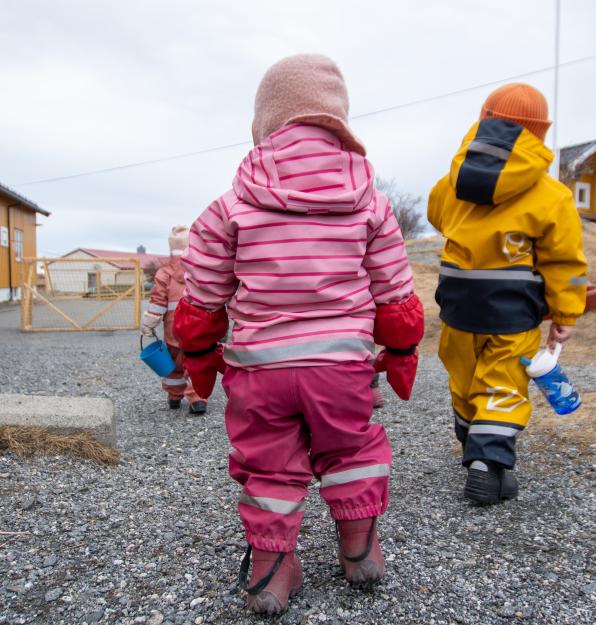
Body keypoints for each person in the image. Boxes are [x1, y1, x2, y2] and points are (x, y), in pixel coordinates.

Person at [172, 54, 424, 615]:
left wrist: (198, 354)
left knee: (270, 464)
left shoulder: (230, 204)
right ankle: (358, 549)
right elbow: (395, 294)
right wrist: (402, 351)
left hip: (261, 368)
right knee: (350, 447)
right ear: (338, 119)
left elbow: (202, 299)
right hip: (341, 366)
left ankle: (271, 571)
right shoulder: (371, 202)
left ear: (265, 121)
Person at [426, 83, 588, 506]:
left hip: (458, 305)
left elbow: (436, 215)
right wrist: (566, 313)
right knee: (503, 384)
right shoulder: (552, 195)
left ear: (482, 120)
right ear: (540, 134)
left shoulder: (452, 182)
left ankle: (472, 445)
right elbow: (565, 262)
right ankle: (489, 467)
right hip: (512, 312)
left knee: (464, 378)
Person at [140, 225, 207, 414]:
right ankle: (197, 398)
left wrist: (149, 324)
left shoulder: (164, 273)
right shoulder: (201, 270)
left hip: (173, 327)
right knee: (195, 360)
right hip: (197, 325)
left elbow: (157, 301)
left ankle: (174, 397)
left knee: (174, 361)